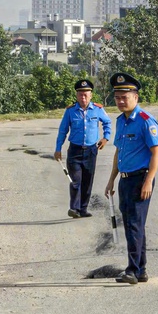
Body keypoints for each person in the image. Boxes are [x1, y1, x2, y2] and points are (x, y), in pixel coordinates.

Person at [104, 72, 158, 285]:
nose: (120, 101)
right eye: (117, 97)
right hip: (125, 180)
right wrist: (112, 179)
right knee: (132, 224)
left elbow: (156, 151)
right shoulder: (121, 121)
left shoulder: (146, 121)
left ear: (135, 97)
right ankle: (141, 269)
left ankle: (132, 269)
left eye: (124, 97)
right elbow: (119, 152)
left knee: (135, 225)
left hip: (141, 179)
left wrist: (149, 180)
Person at [54, 79, 111, 219]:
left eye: (86, 94)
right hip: (74, 151)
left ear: (91, 95)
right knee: (75, 180)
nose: (83, 97)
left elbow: (107, 123)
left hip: (91, 151)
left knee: (87, 181)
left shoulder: (98, 110)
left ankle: (83, 209)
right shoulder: (70, 111)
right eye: (80, 94)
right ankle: (74, 208)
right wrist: (58, 148)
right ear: (77, 96)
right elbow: (63, 131)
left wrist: (106, 138)